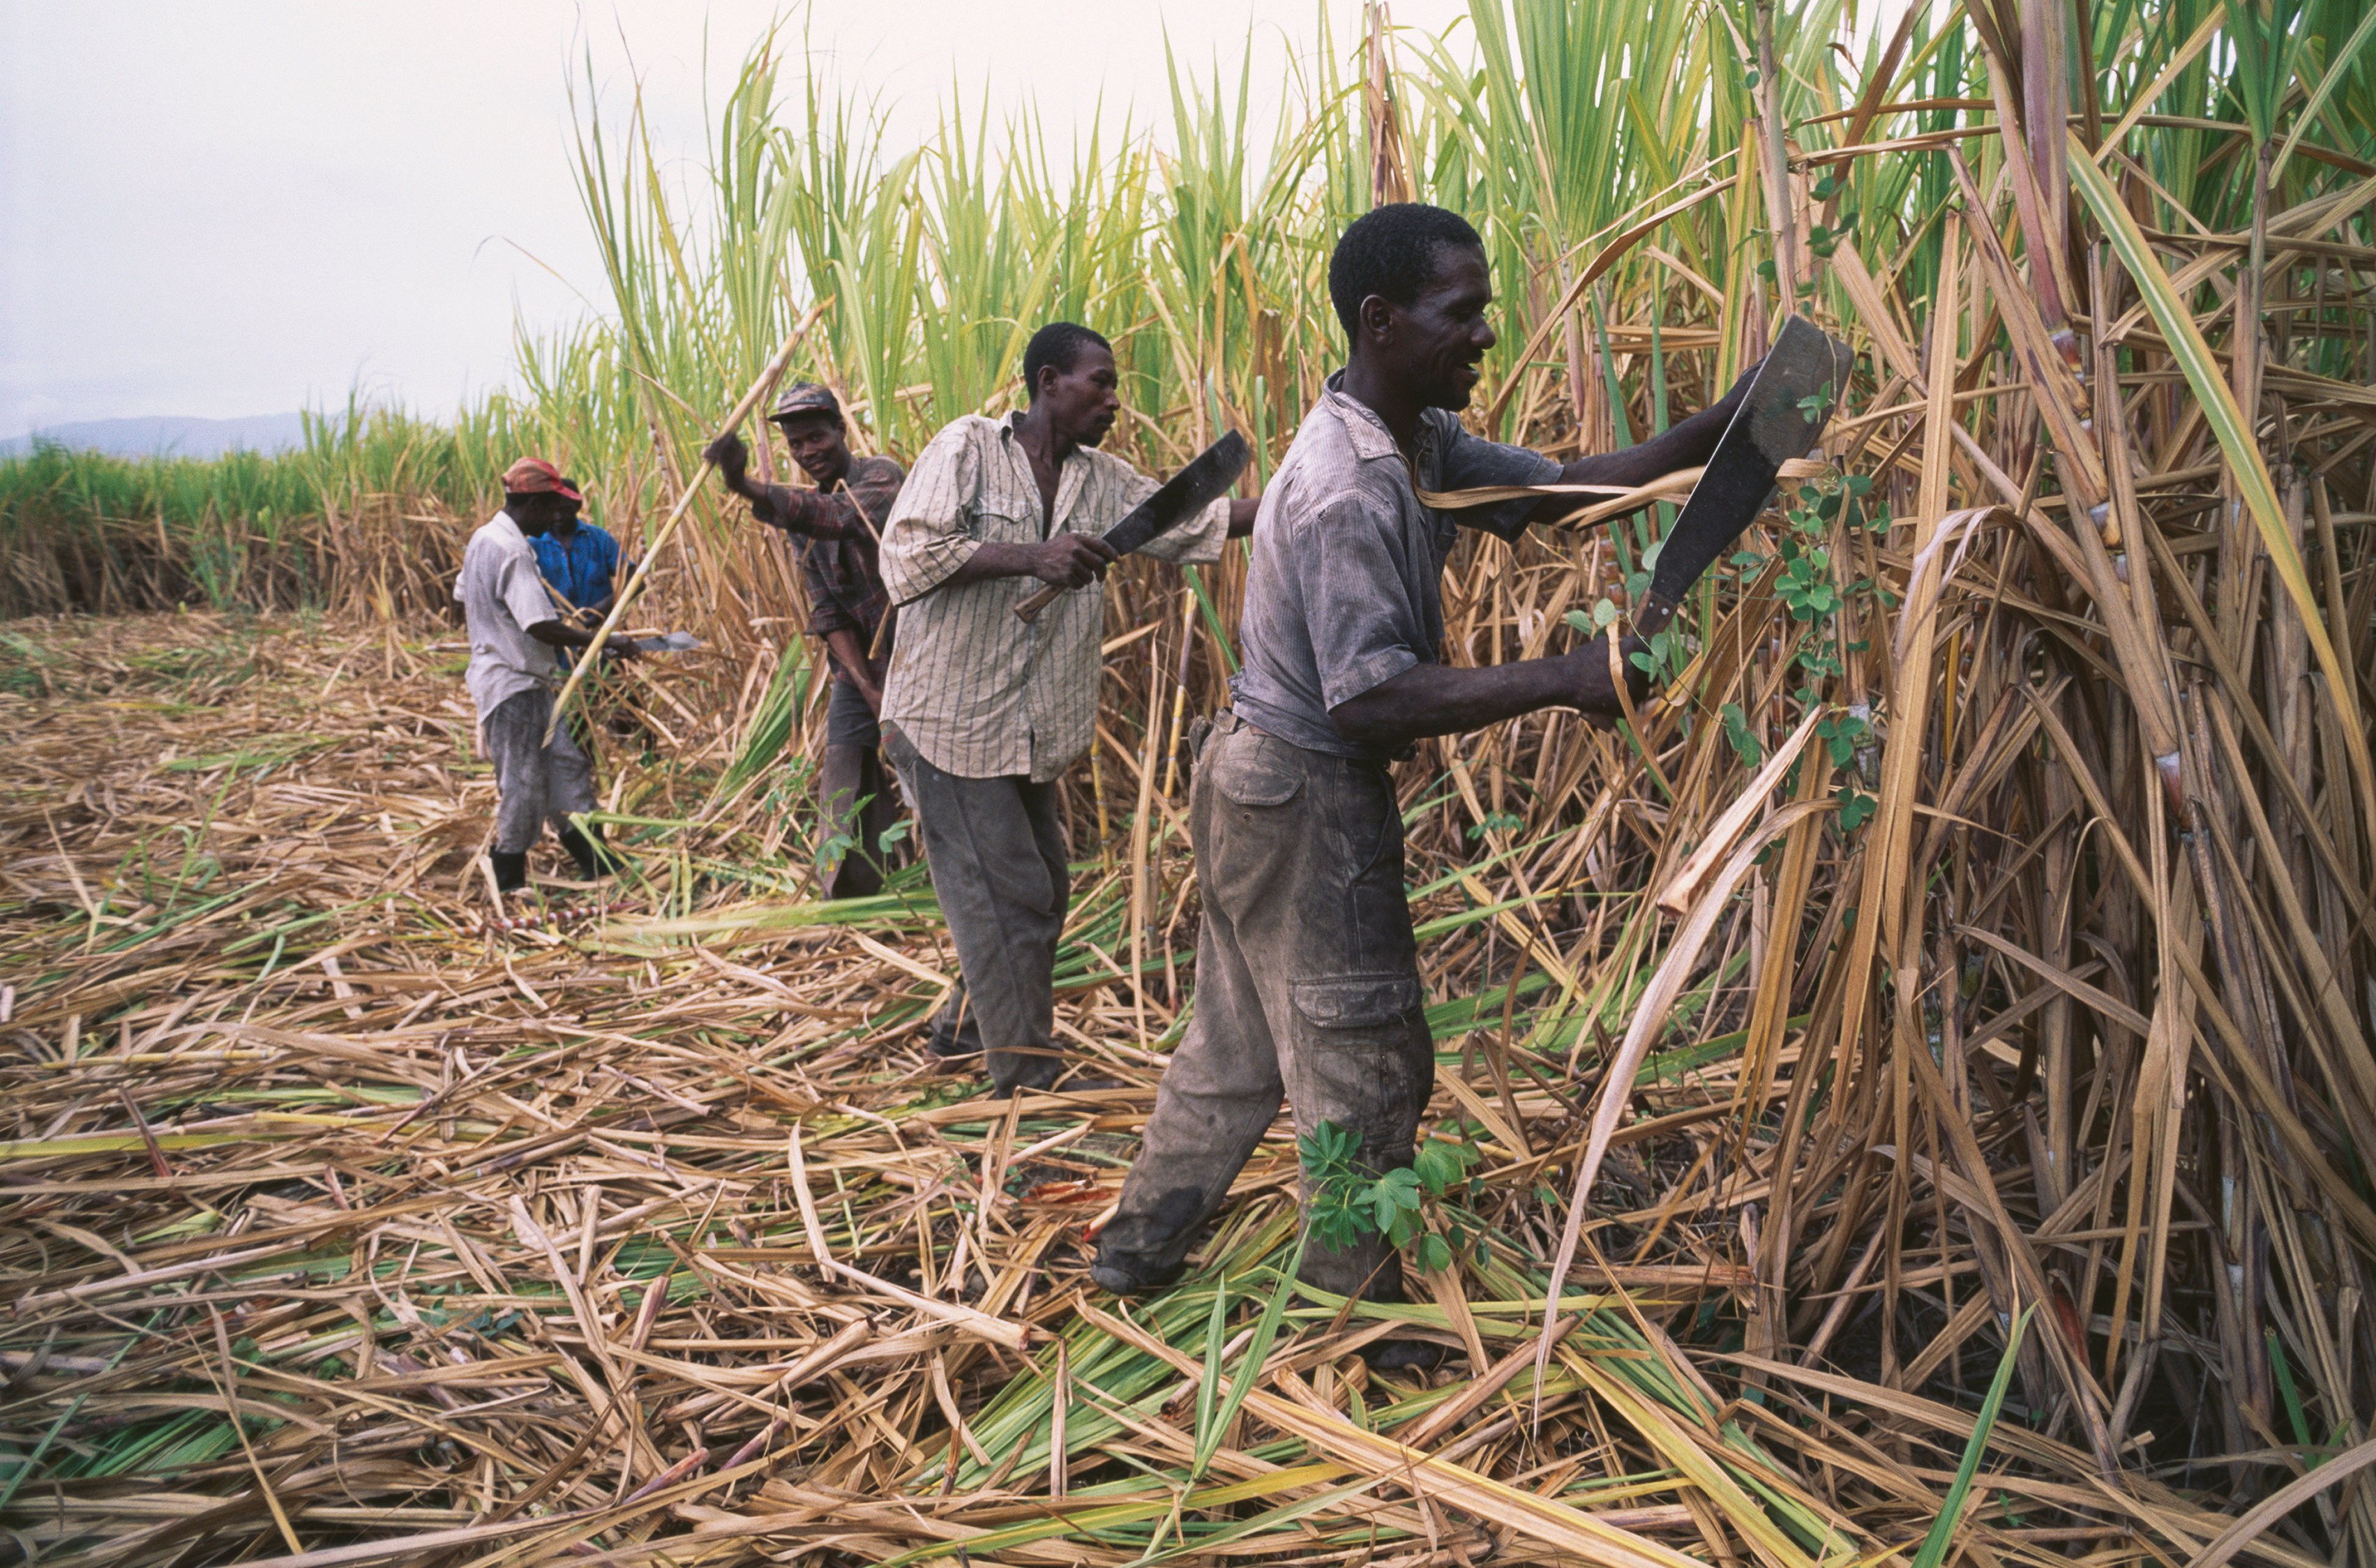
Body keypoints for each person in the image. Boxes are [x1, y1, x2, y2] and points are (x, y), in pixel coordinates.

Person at [1093, 204, 1808, 1337]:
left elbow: (1568, 487)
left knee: (1237, 1040)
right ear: (1383, 322)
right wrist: (1565, 678)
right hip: (1305, 796)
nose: (1486, 335)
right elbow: (1368, 694)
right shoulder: (1348, 486)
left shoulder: (1414, 436)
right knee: (1367, 1059)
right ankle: (1351, 1319)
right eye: (1461, 313)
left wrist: (1738, 418)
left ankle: (1136, 1251)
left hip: (1255, 786)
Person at [876, 322, 1258, 1094]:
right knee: (1009, 891)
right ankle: (1022, 1077)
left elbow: (1200, 521)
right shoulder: (967, 449)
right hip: (947, 717)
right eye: (1101, 382)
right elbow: (905, 557)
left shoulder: (1102, 479)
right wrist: (1031, 555)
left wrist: (1308, 493)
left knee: (1040, 886)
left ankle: (963, 1026)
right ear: (1049, 382)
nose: (1114, 400)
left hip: (1029, 724)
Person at [705, 382, 905, 898]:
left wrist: (742, 484)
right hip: (861, 663)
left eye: (817, 437)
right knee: (843, 766)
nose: (807, 452)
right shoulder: (800, 515)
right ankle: (849, 893)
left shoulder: (883, 477)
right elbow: (827, 609)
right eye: (796, 446)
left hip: (917, 656)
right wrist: (866, 688)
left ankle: (952, 879)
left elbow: (843, 518)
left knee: (924, 768)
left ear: (842, 430)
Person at [455, 458, 638, 894]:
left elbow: (463, 592)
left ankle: (594, 858)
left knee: (565, 765)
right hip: (512, 684)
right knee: (523, 783)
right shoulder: (514, 550)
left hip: (529, 681)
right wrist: (604, 640)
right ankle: (509, 876)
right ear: (533, 503)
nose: (555, 517)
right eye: (550, 507)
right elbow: (538, 625)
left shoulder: (485, 537)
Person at [529, 491, 629, 624]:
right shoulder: (533, 546)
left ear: (577, 507)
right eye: (553, 511)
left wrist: (607, 605)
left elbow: (636, 579)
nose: (558, 517)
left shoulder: (599, 538)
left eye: (566, 510)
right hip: (558, 637)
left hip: (604, 631)